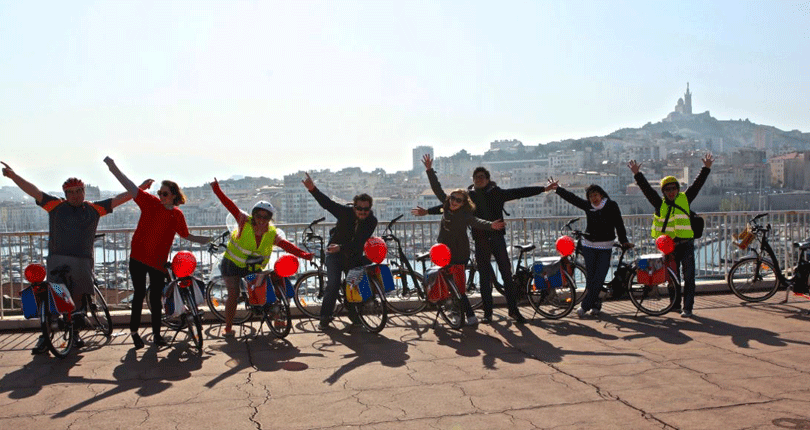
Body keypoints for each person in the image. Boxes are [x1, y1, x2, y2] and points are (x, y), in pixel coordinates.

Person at [1, 161, 147, 354]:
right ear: (65, 194)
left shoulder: (94, 208)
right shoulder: (55, 205)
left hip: (82, 260)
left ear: (84, 192)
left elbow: (119, 199)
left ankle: (74, 332)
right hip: (58, 259)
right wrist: (13, 176)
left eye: (79, 191)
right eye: (71, 192)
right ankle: (46, 335)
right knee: (54, 297)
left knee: (78, 299)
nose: (75, 195)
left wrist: (140, 189)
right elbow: (34, 191)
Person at [104, 157, 212, 349]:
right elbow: (129, 186)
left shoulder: (177, 214)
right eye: (159, 193)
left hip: (158, 262)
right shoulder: (150, 202)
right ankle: (134, 332)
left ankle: (156, 335)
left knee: (155, 300)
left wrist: (207, 240)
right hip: (138, 258)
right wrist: (113, 167)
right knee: (139, 295)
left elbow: (186, 235)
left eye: (165, 193)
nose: (161, 196)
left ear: (174, 196)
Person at [211, 178, 312, 336]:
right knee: (233, 294)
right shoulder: (244, 221)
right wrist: (216, 190)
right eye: (259, 216)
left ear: (270, 219)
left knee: (272, 285)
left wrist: (304, 255)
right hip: (232, 265)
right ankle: (228, 327)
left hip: (253, 267)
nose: (262, 220)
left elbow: (286, 245)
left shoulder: (271, 232)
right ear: (254, 215)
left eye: (266, 217)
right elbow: (229, 205)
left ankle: (277, 317)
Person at [417, 155, 505, 326]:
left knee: (458, 287)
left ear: (464, 203)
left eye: (459, 200)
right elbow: (437, 188)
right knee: (446, 282)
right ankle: (453, 309)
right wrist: (429, 170)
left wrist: (491, 225)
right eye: (452, 198)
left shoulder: (465, 214)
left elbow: (476, 222)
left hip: (459, 253)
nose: (454, 202)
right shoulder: (446, 207)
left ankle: (469, 315)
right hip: (443, 252)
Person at [465, 165, 555, 324]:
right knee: (484, 278)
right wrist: (428, 212)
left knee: (507, 275)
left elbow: (519, 192)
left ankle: (513, 310)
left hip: (497, 238)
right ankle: (487, 313)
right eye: (476, 177)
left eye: (482, 177)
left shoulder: (496, 192)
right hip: (480, 240)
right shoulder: (468, 197)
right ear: (473, 180)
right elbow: (449, 204)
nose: (479, 179)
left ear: (487, 179)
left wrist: (543, 189)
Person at [628, 153, 713, 318]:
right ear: (663, 191)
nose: (671, 192)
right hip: (669, 247)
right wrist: (637, 174)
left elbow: (697, 185)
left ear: (678, 189)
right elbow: (647, 189)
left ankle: (687, 308)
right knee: (672, 278)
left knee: (689, 277)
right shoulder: (659, 203)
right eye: (667, 189)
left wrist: (706, 168)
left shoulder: (685, 199)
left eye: (674, 188)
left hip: (686, 244)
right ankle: (675, 305)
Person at [301, 172, 377, 331]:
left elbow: (359, 242)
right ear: (354, 207)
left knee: (355, 282)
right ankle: (324, 317)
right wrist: (312, 189)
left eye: (366, 209)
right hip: (334, 254)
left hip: (352, 253)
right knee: (333, 284)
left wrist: (342, 247)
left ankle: (354, 314)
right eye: (359, 208)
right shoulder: (345, 212)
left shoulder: (371, 221)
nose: (362, 212)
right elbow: (327, 204)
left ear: (370, 209)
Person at [551, 182, 633, 317]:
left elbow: (619, 224)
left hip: (605, 246)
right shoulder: (588, 206)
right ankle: (596, 305)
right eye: (590, 197)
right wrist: (558, 190)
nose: (593, 199)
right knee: (591, 279)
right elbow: (573, 199)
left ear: (601, 195)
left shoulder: (611, 205)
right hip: (589, 246)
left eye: (595, 195)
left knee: (599, 277)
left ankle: (584, 306)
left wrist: (623, 240)